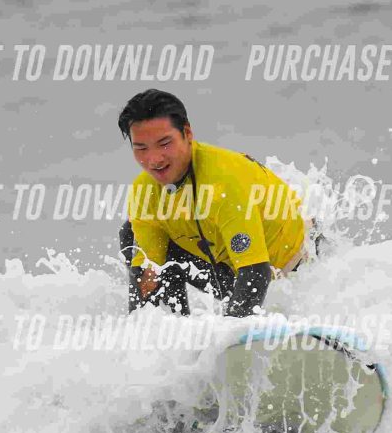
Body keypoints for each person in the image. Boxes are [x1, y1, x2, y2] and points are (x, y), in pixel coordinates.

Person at [117, 89, 312, 317]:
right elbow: (148, 278)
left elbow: (256, 272)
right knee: (131, 236)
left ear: (187, 133)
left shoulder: (223, 181)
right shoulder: (144, 191)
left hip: (296, 265)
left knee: (246, 304)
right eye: (141, 148)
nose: (154, 160)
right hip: (232, 270)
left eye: (165, 143)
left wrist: (230, 333)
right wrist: (138, 327)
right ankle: (175, 327)